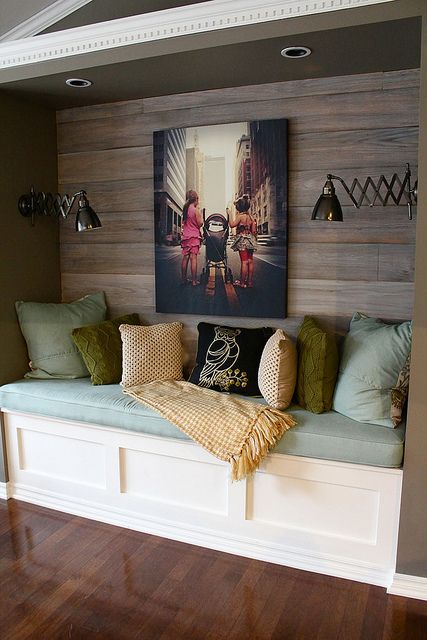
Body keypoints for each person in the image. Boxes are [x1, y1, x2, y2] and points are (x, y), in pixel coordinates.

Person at [230, 194, 257, 288]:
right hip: (250, 240)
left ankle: (241, 283)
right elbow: (254, 231)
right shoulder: (251, 217)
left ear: (239, 208)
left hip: (242, 240)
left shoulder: (240, 216)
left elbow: (232, 225)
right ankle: (249, 282)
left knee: (244, 262)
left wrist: (229, 214)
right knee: (250, 261)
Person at [181, 189, 204, 286]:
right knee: (193, 258)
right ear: (196, 199)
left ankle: (184, 279)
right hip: (194, 236)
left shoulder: (185, 210)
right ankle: (194, 281)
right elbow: (200, 224)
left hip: (186, 236)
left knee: (185, 258)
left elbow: (183, 223)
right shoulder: (196, 210)